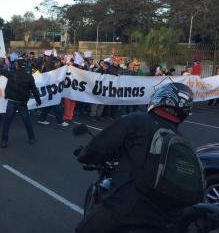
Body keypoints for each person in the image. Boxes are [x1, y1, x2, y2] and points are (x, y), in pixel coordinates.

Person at [75, 82, 203, 233]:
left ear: (158, 99)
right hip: (169, 220)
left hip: (126, 208)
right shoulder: (183, 142)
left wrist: (84, 155)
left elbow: (100, 146)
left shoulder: (137, 120)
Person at [0, 58, 42, 148]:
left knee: (7, 122)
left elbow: (1, 71)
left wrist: (5, 64)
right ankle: (32, 138)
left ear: (17, 65)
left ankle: (4, 141)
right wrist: (38, 101)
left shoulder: (11, 73)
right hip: (22, 102)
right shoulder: (29, 76)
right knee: (27, 121)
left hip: (11, 101)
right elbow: (34, 90)